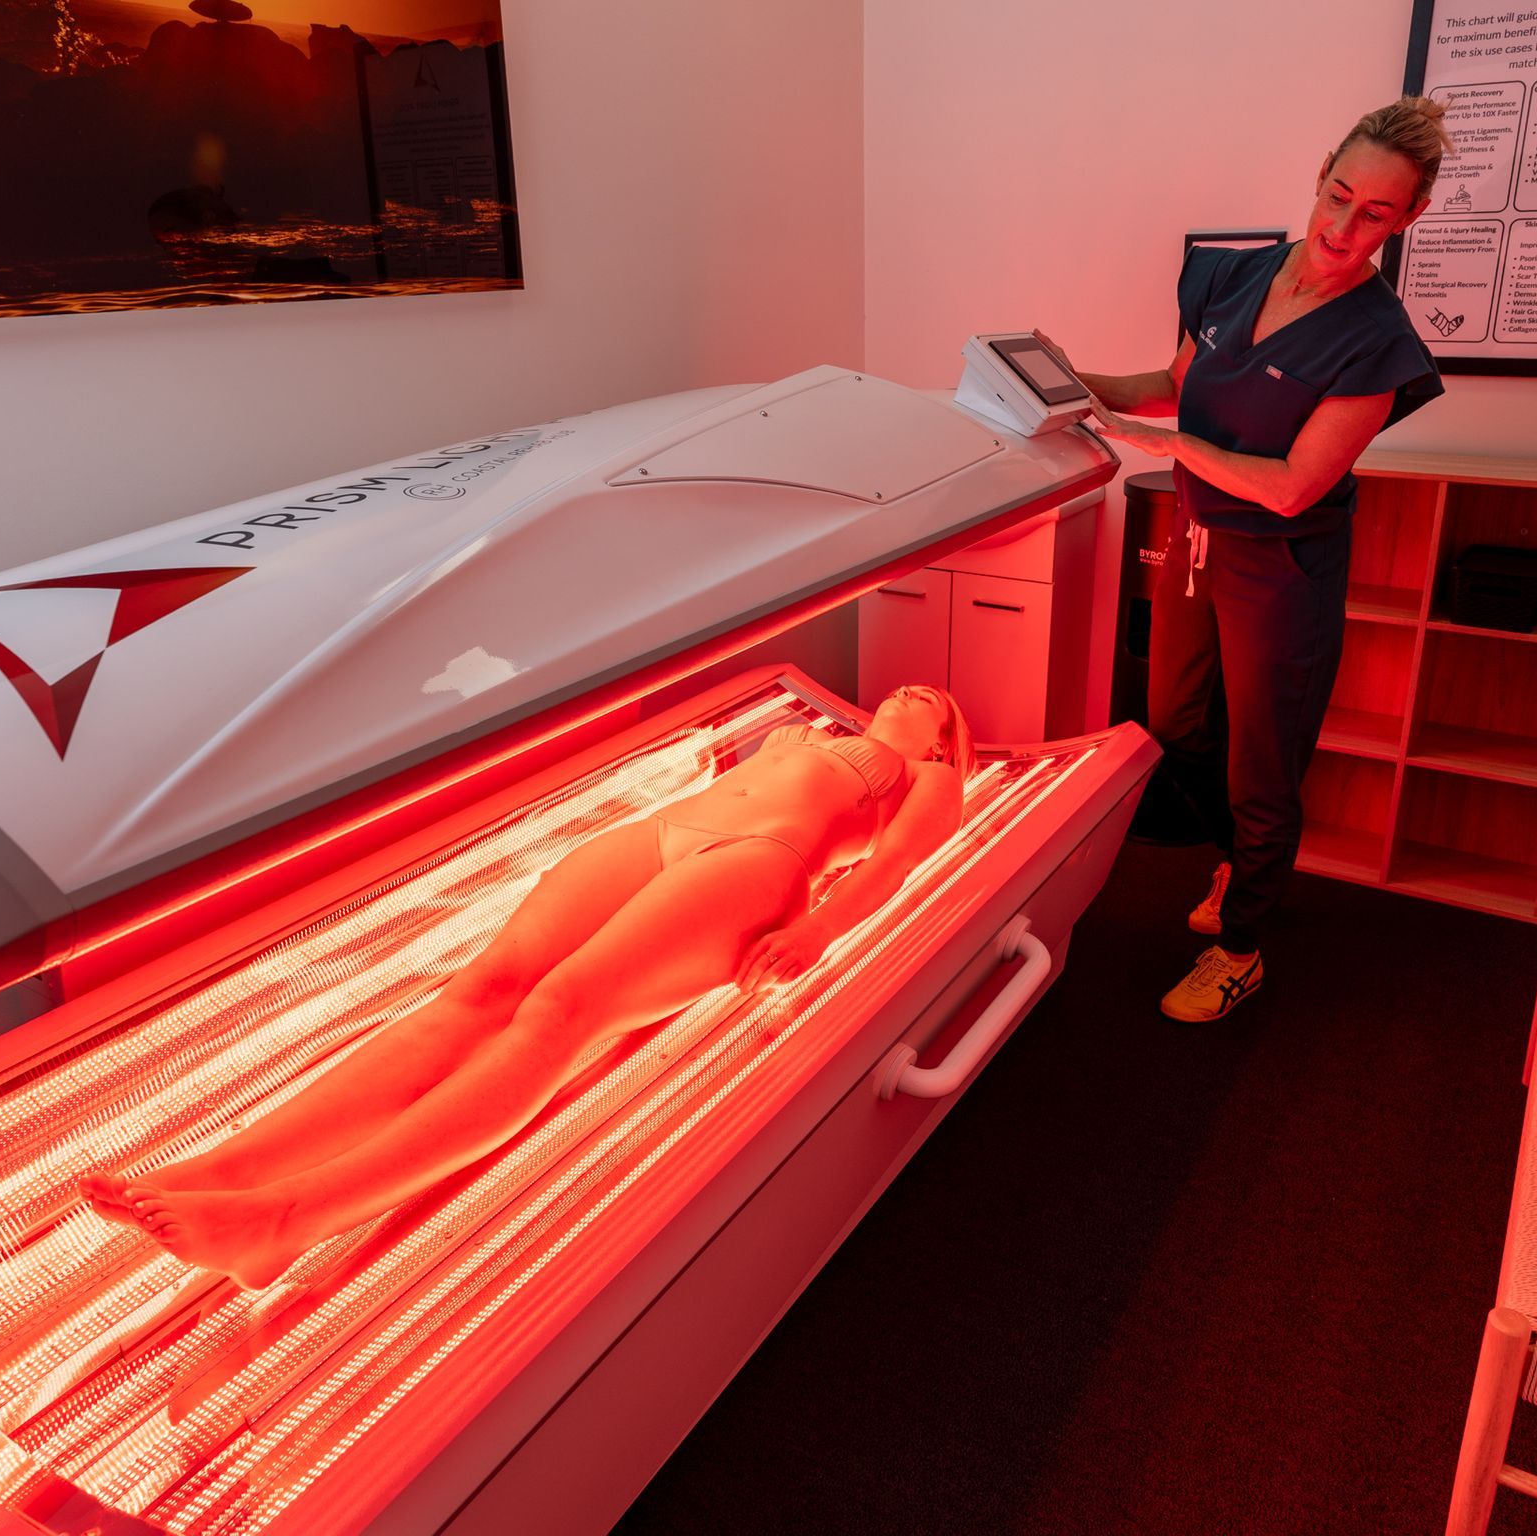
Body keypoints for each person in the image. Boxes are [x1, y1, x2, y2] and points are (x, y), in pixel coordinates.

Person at [82, 684, 974, 1287]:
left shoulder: (929, 777)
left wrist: (817, 926)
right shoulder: (802, 729)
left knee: (559, 1011)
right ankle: (227, 1171)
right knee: (485, 987)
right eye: (906, 685)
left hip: (760, 862)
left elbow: (891, 866)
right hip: (670, 831)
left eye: (930, 699)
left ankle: (288, 1219)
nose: (909, 692)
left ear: (941, 736)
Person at [1043, 97, 1448, 1022]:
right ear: (1320, 177)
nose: (1344, 228)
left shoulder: (1379, 344)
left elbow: (1297, 485)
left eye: (1376, 213)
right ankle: (1234, 861)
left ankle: (1243, 944)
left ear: (1408, 218)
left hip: (1283, 564)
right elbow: (1174, 386)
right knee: (1178, 720)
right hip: (1200, 539)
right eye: (1339, 196)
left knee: (1264, 762)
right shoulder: (1231, 277)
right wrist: (1072, 381)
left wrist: (1178, 448)